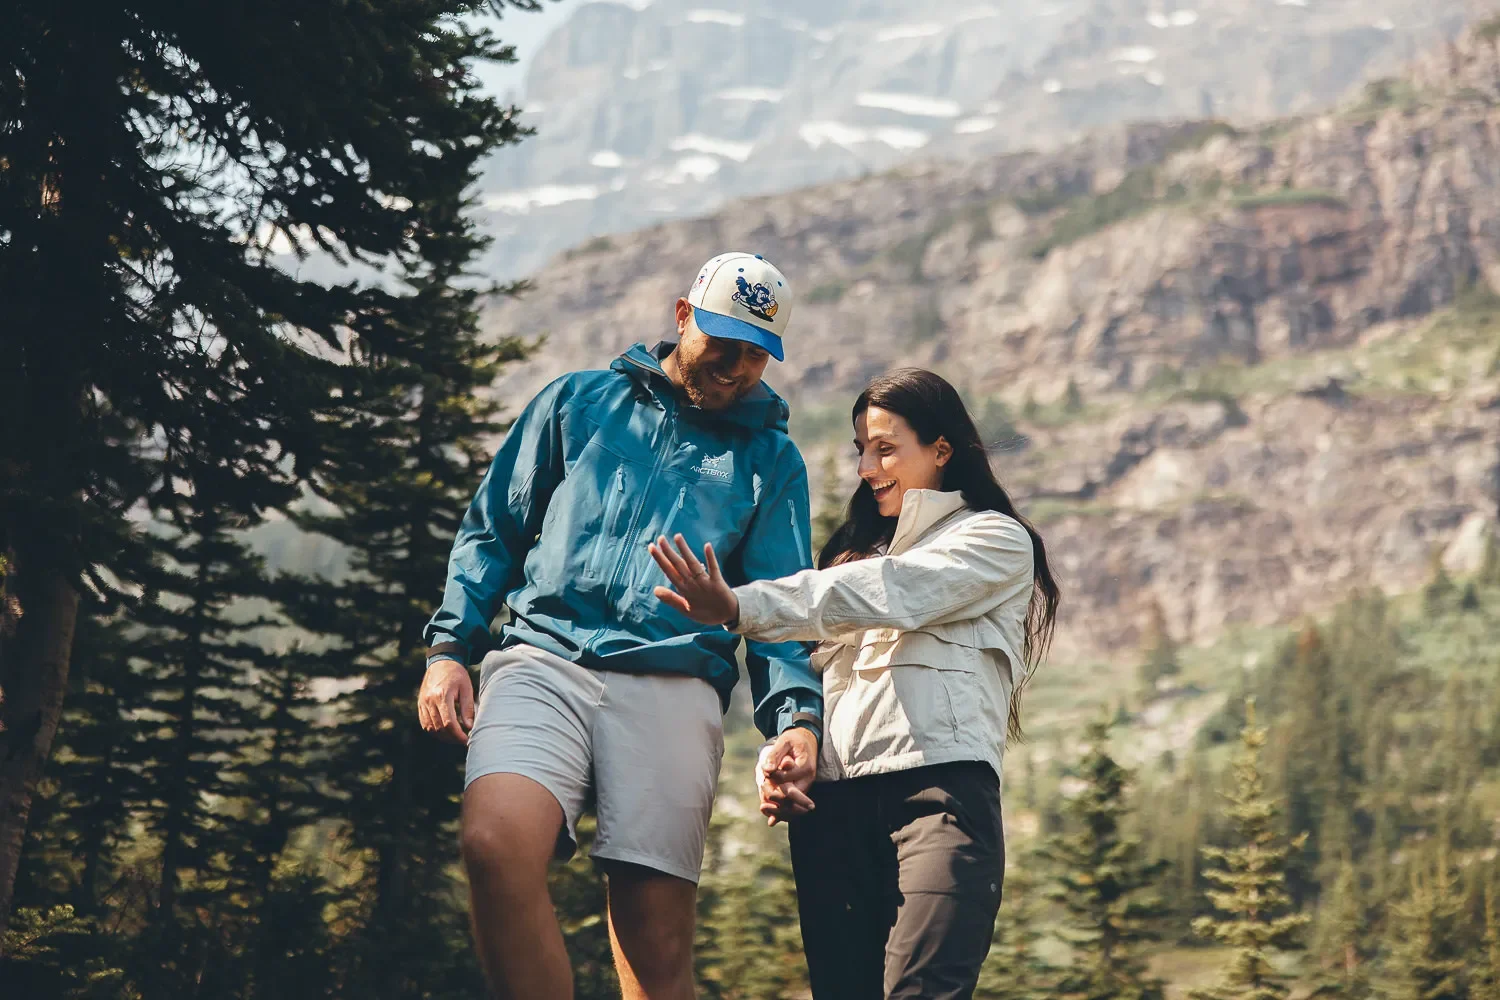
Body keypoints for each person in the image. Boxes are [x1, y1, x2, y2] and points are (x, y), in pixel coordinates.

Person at [418, 252, 825, 1000]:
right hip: (542, 658)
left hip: (673, 685)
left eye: (754, 356)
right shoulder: (578, 403)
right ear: (681, 317)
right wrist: (450, 648)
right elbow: (493, 532)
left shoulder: (772, 463)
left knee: (654, 942)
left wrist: (795, 717)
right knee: (492, 844)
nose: (735, 369)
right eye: (721, 343)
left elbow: (779, 605)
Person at [650, 368, 1061, 1000]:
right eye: (861, 450)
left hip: (941, 797)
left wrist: (739, 605)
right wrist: (789, 745)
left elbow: (897, 592)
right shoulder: (845, 562)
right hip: (831, 812)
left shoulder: (994, 540)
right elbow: (811, 676)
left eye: (886, 448)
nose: (867, 467)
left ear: (942, 450)